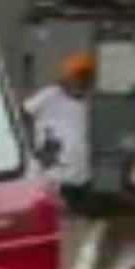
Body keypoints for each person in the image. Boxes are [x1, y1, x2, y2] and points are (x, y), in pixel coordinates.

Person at [23, 52, 94, 207]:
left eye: (84, 77)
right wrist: (30, 142)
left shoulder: (89, 101)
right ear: (66, 77)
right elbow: (24, 112)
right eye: (76, 76)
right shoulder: (51, 94)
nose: (80, 81)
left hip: (78, 171)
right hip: (50, 169)